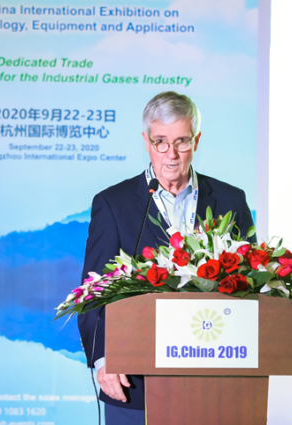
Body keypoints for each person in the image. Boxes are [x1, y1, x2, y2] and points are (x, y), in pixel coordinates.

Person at [77, 91, 255, 424]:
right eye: (160, 142)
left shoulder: (230, 200)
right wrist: (103, 360)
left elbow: (249, 287)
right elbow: (93, 290)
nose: (170, 155)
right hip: (134, 384)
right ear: (146, 141)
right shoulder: (113, 203)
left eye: (181, 142)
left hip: (215, 382)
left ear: (196, 141)